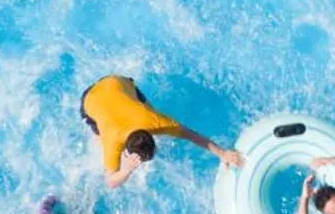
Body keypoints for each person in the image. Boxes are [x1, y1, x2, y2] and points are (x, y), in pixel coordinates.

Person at [81, 74, 243, 189]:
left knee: (145, 106)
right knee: (99, 137)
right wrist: (126, 170)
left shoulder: (155, 120)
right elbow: (110, 182)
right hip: (90, 99)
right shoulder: (112, 141)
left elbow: (192, 135)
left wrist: (223, 154)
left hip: (116, 82)